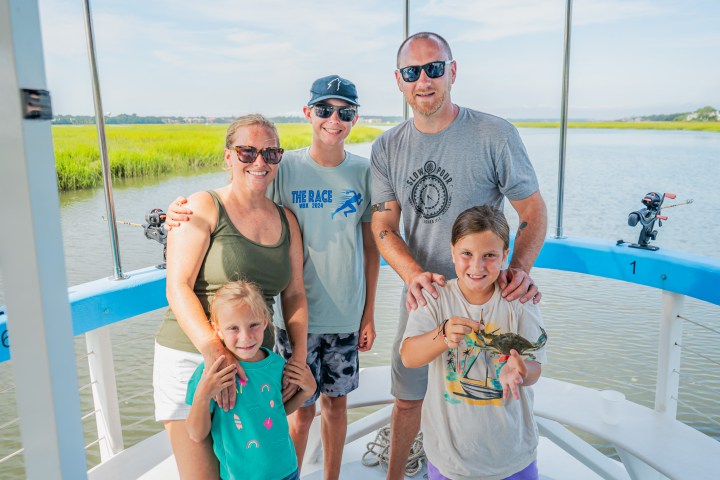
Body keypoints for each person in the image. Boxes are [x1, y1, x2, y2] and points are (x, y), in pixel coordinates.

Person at [168, 76, 380, 479]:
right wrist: (175, 210)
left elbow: (372, 245)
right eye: (324, 109)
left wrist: (368, 313)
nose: (260, 161)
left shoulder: (363, 173)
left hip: (338, 316)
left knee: (330, 406)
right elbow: (238, 192)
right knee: (292, 409)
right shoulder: (285, 168)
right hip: (260, 329)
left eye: (345, 112)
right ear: (309, 113)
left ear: (355, 118)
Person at [370, 32, 548, 478]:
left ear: (453, 70)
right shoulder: (386, 147)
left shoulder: (494, 133)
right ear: (399, 81)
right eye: (412, 72)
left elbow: (533, 211)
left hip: (488, 298)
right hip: (425, 300)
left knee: (490, 388)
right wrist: (413, 276)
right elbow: (383, 226)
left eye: (434, 67)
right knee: (407, 397)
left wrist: (519, 269)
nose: (424, 80)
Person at [154, 114, 308, 478]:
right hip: (192, 356)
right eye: (247, 151)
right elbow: (177, 286)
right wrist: (216, 354)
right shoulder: (202, 206)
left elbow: (296, 294)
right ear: (228, 157)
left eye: (271, 153)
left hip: (254, 363)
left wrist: (297, 360)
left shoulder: (288, 221)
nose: (259, 162)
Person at [400, 205, 546, 480]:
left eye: (490, 255)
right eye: (467, 254)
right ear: (452, 250)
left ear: (505, 255)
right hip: (450, 460)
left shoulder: (521, 300)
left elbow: (535, 368)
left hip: (514, 456)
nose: (477, 266)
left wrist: (521, 371)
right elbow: (409, 356)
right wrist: (442, 335)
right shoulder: (435, 297)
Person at [186, 280, 316, 480]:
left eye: (253, 325)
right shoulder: (210, 373)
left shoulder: (276, 365)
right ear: (217, 329)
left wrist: (307, 391)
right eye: (233, 328)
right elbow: (196, 434)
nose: (246, 337)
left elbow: (276, 411)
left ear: (265, 321)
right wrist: (203, 395)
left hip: (287, 469)